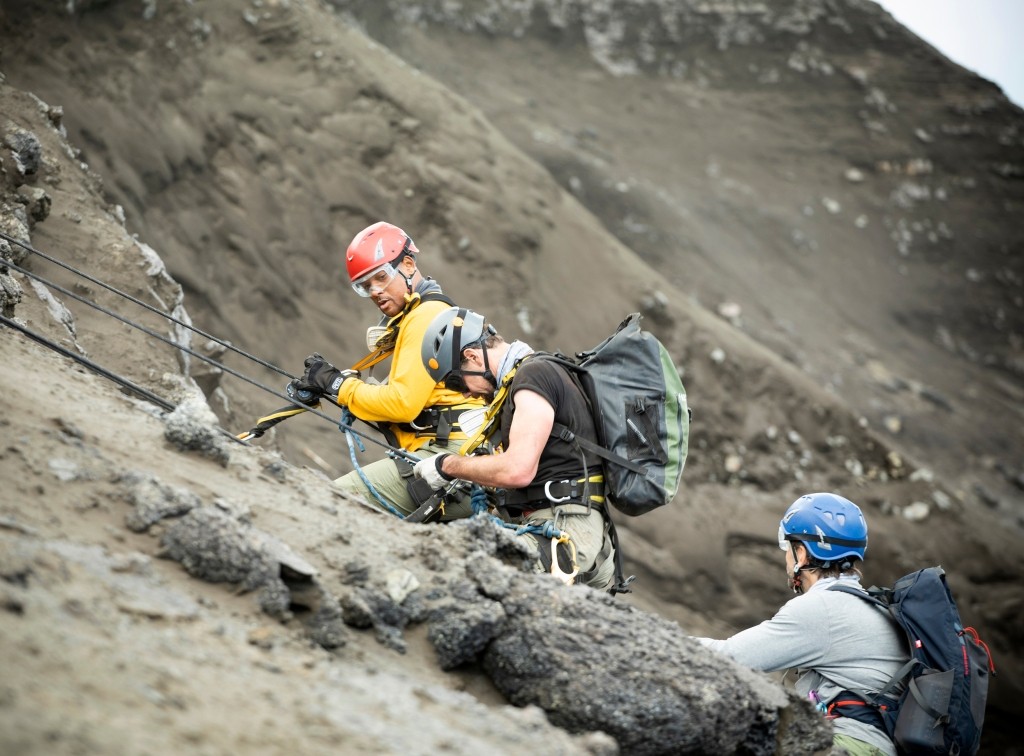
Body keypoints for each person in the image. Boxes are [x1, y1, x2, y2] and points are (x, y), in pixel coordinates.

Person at [287, 222, 484, 520]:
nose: (375, 291)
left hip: (447, 459)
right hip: (458, 455)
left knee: (324, 503)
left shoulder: (424, 317)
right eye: (365, 287)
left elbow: (401, 404)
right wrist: (337, 387)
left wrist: (338, 385)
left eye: (381, 277)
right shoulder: (428, 314)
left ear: (407, 264)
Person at [412, 306, 618, 591]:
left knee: (457, 575)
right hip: (559, 522)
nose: (466, 394)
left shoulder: (533, 375)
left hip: (564, 527)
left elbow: (518, 470)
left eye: (457, 382)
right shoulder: (532, 375)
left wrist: (447, 465)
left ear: (472, 357)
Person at [690, 493, 910, 756]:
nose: (786, 557)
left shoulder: (823, 609)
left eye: (788, 548)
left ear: (802, 554)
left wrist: (666, 640)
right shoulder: (872, 605)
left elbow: (731, 658)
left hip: (852, 746)